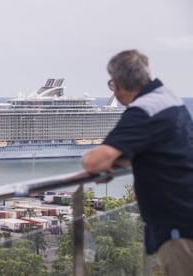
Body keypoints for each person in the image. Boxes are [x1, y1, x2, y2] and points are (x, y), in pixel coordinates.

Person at [81, 49, 193, 275]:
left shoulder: (143, 110)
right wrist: (121, 160)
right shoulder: (168, 97)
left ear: (117, 83)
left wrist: (101, 160)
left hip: (177, 222)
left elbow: (93, 162)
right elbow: (161, 148)